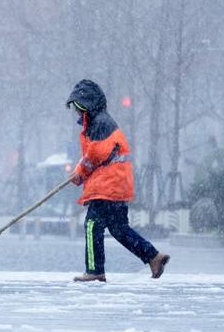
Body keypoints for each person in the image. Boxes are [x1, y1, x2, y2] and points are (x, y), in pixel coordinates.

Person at [65, 79, 169, 282]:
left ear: (86, 105)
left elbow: (95, 154)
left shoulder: (99, 123)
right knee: (119, 229)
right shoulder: (104, 122)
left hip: (107, 187)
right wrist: (80, 171)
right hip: (118, 186)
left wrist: (80, 173)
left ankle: (95, 270)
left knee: (92, 225)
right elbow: (95, 155)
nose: (76, 112)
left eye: (78, 107)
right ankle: (153, 256)